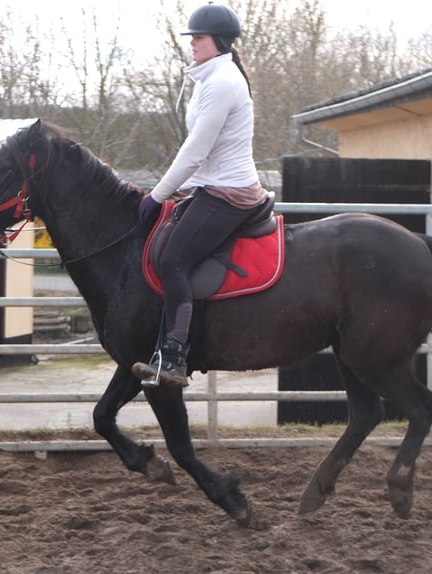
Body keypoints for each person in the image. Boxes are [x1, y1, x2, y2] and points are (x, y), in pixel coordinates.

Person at [132, 2, 268, 388]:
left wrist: (158, 195)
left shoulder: (222, 82)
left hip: (229, 192)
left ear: (220, 42)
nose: (192, 42)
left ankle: (174, 355)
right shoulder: (211, 80)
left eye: (199, 37)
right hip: (212, 187)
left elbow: (195, 151)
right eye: (191, 37)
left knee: (173, 259)